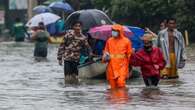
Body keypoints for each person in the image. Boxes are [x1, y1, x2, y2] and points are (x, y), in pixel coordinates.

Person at [102, 24, 133, 89]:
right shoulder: (109, 40)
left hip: (122, 66)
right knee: (112, 87)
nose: (114, 32)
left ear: (120, 31)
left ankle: (122, 98)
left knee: (121, 83)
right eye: (113, 30)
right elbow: (106, 52)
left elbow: (129, 55)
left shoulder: (126, 41)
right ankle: (114, 99)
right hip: (111, 66)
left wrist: (131, 67)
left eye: (116, 30)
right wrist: (104, 58)